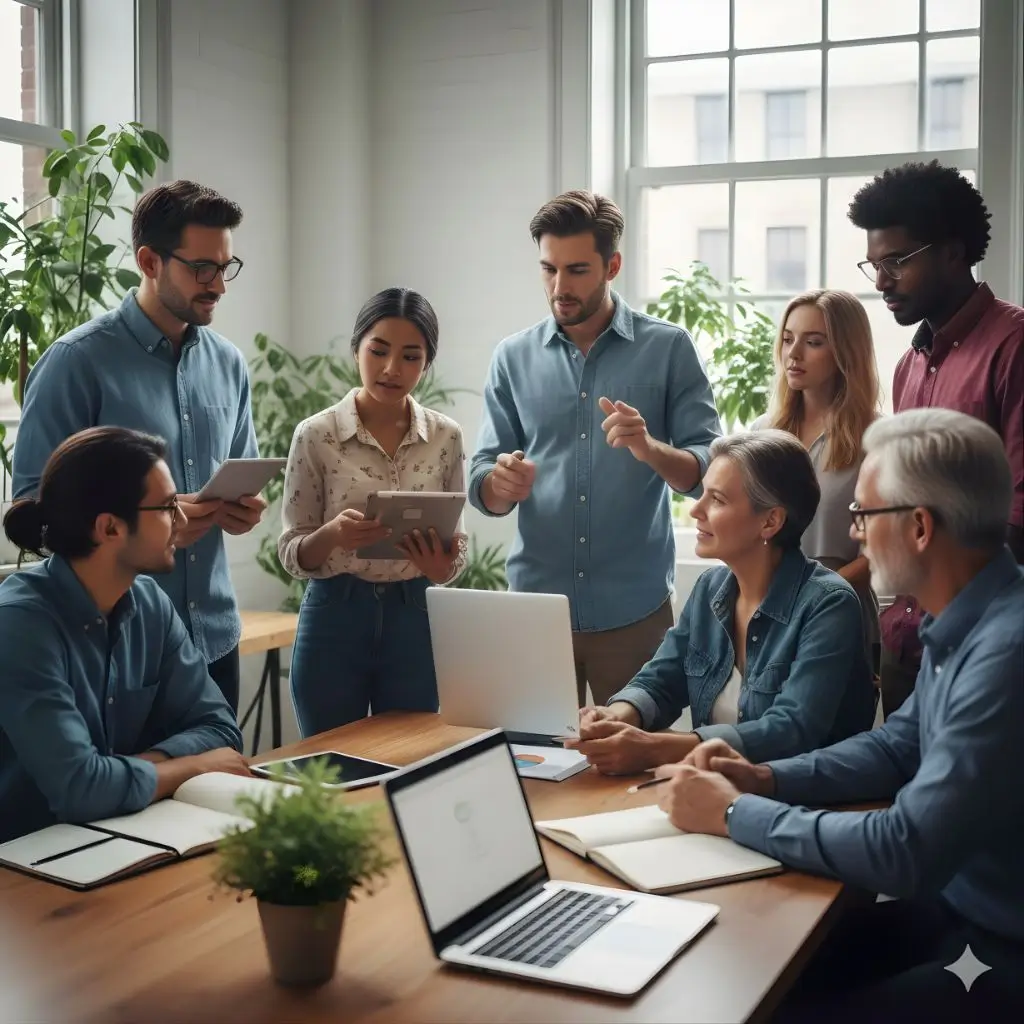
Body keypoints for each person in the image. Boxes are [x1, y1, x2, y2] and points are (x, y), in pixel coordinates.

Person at [654, 409, 1024, 1022]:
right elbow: (895, 748)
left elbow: (905, 847)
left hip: (1000, 949)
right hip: (955, 910)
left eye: (864, 515)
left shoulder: (1005, 655)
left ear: (921, 528)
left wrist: (731, 812)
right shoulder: (965, 619)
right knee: (740, 970)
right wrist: (764, 779)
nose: (854, 535)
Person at [12, 180, 265, 714]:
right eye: (202, 268)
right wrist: (156, 520)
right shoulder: (75, 362)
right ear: (149, 261)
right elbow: (33, 508)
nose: (219, 285)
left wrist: (239, 509)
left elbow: (239, 470)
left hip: (213, 637)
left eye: (226, 266)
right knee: (125, 794)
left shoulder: (229, 364)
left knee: (218, 786)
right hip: (117, 646)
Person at [469, 189, 722, 705]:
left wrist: (651, 448)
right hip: (536, 611)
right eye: (548, 269)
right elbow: (481, 479)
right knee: (535, 766)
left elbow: (707, 467)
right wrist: (499, 484)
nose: (559, 287)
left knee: (632, 774)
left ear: (613, 265)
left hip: (634, 612)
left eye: (577, 270)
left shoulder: (668, 347)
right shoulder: (511, 357)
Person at [564, 431, 874, 774]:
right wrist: (615, 715)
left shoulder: (829, 604)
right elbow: (661, 679)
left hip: (811, 807)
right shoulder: (709, 589)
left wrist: (655, 749)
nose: (696, 509)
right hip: (717, 794)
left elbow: (791, 729)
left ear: (770, 521)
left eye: (717, 499)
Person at [0, 427, 247, 844]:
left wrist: (123, 773)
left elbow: (220, 728)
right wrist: (191, 767)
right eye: (169, 507)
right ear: (109, 528)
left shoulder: (150, 603)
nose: (183, 520)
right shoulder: (19, 625)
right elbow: (80, 790)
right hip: (25, 862)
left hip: (122, 834)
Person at [848, 160, 1023, 716]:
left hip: (983, 643)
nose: (881, 282)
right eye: (874, 265)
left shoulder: (1013, 347)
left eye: (897, 261)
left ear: (953, 251)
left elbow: (1017, 515)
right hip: (906, 639)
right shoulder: (908, 366)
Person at [278, 288, 467, 735]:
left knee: (411, 762)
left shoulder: (447, 436)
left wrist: (441, 568)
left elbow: (457, 550)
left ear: (426, 363)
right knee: (327, 768)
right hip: (334, 615)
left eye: (410, 357)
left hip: (415, 615)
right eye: (378, 350)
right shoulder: (315, 434)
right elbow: (290, 552)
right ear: (356, 348)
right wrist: (331, 537)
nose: (391, 369)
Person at [754, 289, 882, 672]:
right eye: (788, 339)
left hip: (840, 616)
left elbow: (877, 551)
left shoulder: (877, 438)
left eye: (813, 342)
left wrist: (811, 597)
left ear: (846, 351)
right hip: (766, 617)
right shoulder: (762, 433)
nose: (793, 354)